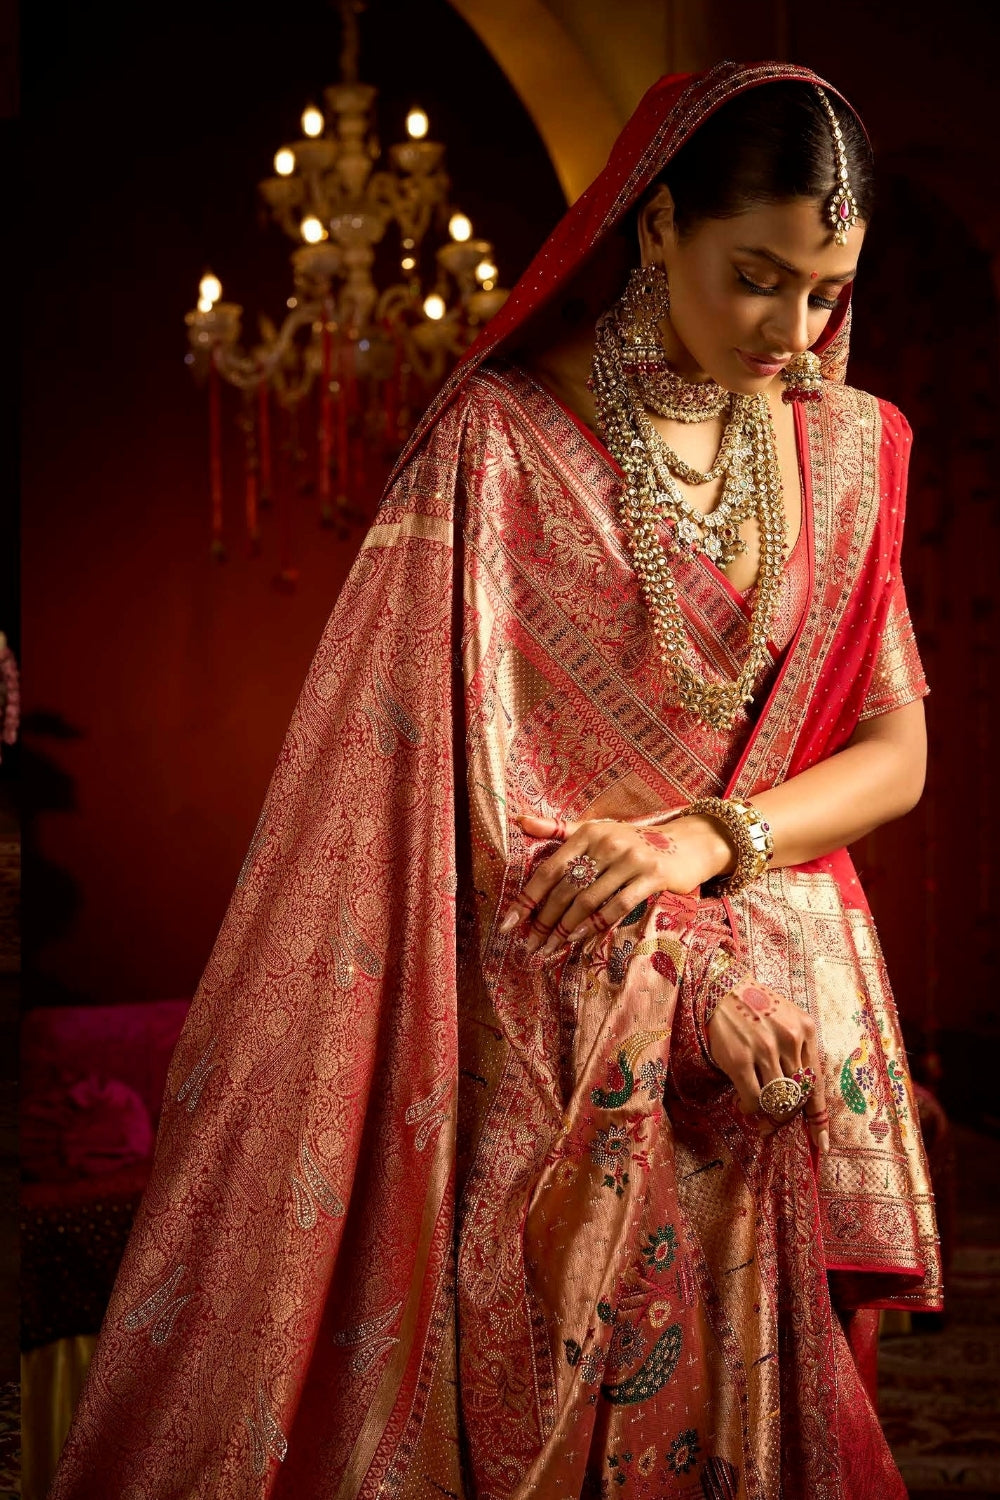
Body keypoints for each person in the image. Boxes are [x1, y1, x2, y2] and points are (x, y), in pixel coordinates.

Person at [51, 60, 940, 1499]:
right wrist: (670, 960)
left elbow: (897, 755)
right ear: (656, 231)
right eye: (756, 278)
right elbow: (426, 800)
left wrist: (708, 846)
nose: (796, 330)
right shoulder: (504, 445)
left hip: (770, 1026)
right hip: (552, 1031)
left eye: (827, 290)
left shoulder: (847, 453)